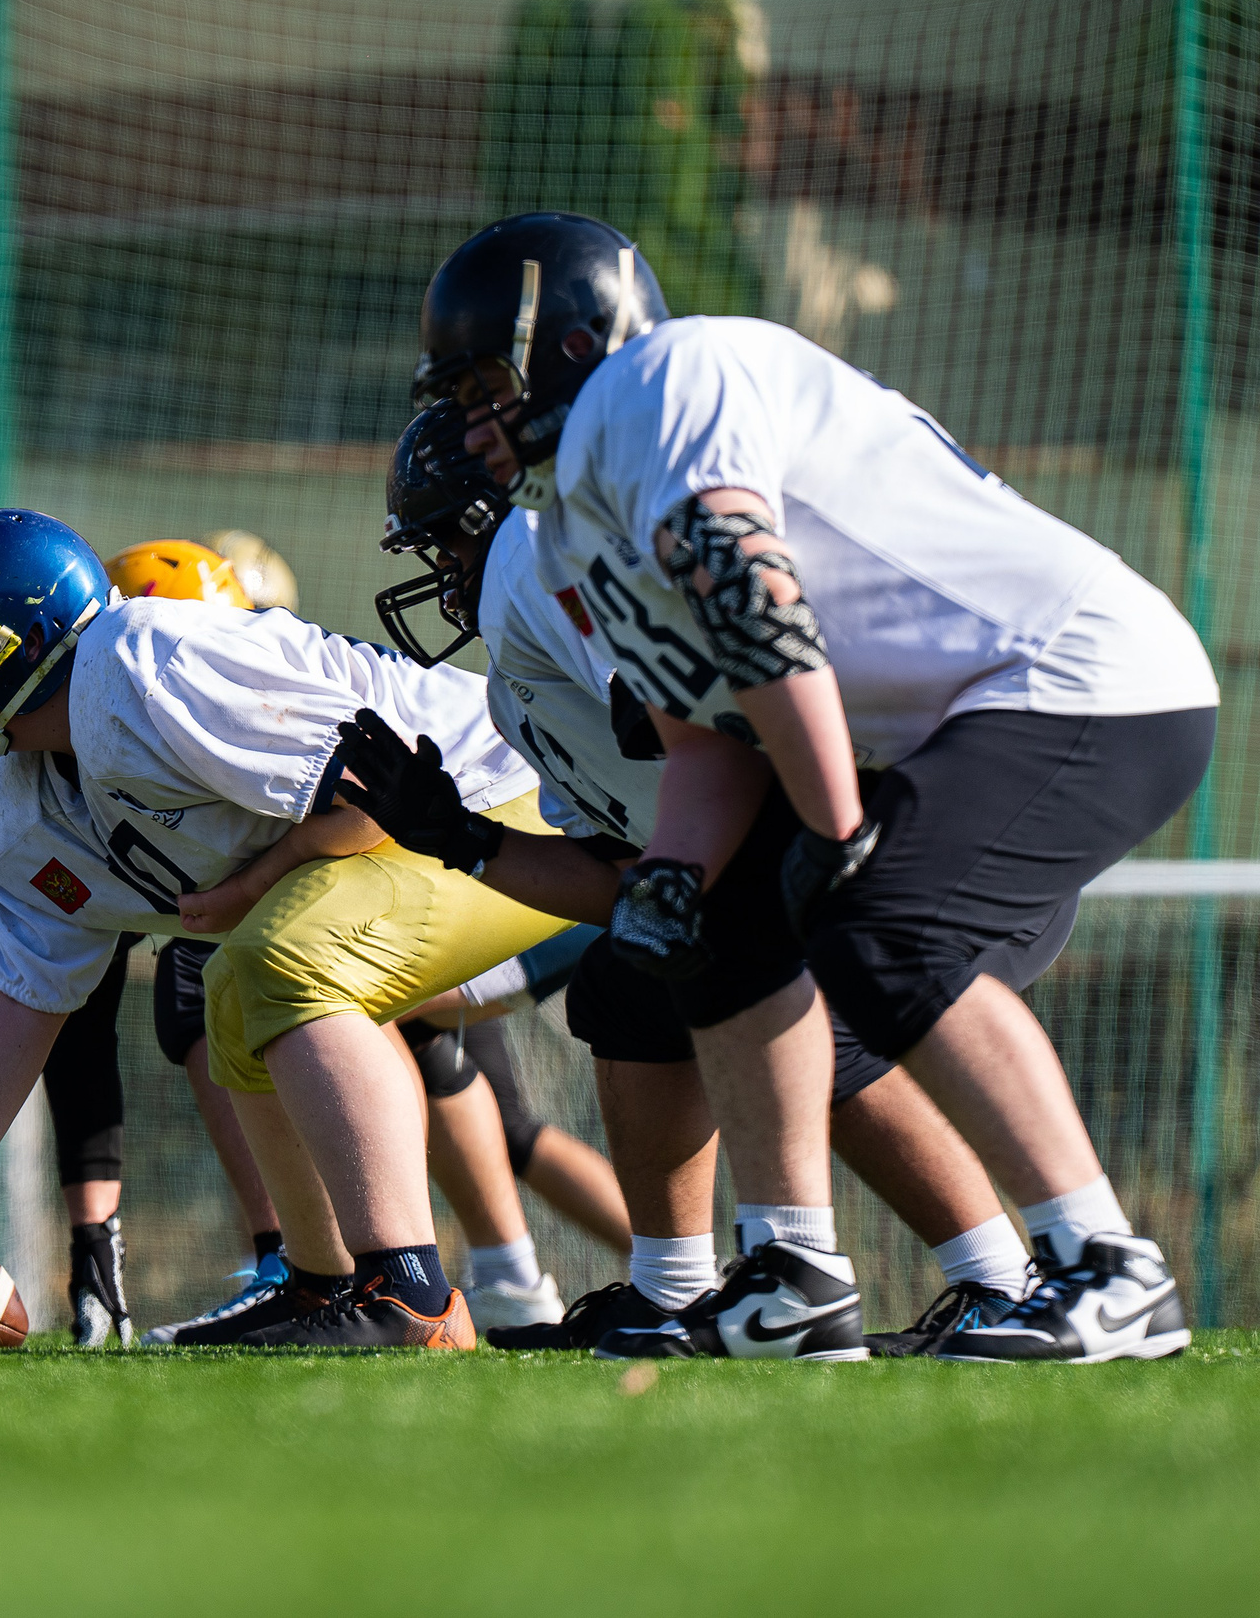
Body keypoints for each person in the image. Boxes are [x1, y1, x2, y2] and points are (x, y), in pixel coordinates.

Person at [385, 212, 1211, 1362]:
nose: (467, 422)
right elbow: (707, 743)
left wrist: (831, 828)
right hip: (956, 717)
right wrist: (667, 884)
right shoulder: (573, 517)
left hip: (1076, 674)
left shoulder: (665, 378)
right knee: (708, 926)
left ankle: (1103, 1267)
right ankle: (794, 1276)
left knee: (881, 927)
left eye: (478, 383)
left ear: (565, 347)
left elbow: (747, 584)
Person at [349, 402, 1053, 1354]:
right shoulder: (522, 687)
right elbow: (625, 880)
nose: (435, 574)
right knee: (630, 981)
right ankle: (671, 1287)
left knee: (802, 1000)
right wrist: (464, 839)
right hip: (807, 839)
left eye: (438, 541)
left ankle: (999, 1283)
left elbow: (712, 710)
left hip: (917, 818)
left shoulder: (541, 555)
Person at [0, 508, 571, 1350]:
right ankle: (319, 1280)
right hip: (403, 836)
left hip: (505, 800)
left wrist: (254, 883)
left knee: (281, 959)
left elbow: (382, 783)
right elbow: (25, 995)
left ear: (29, 640)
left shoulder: (146, 666)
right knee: (228, 990)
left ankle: (408, 1290)